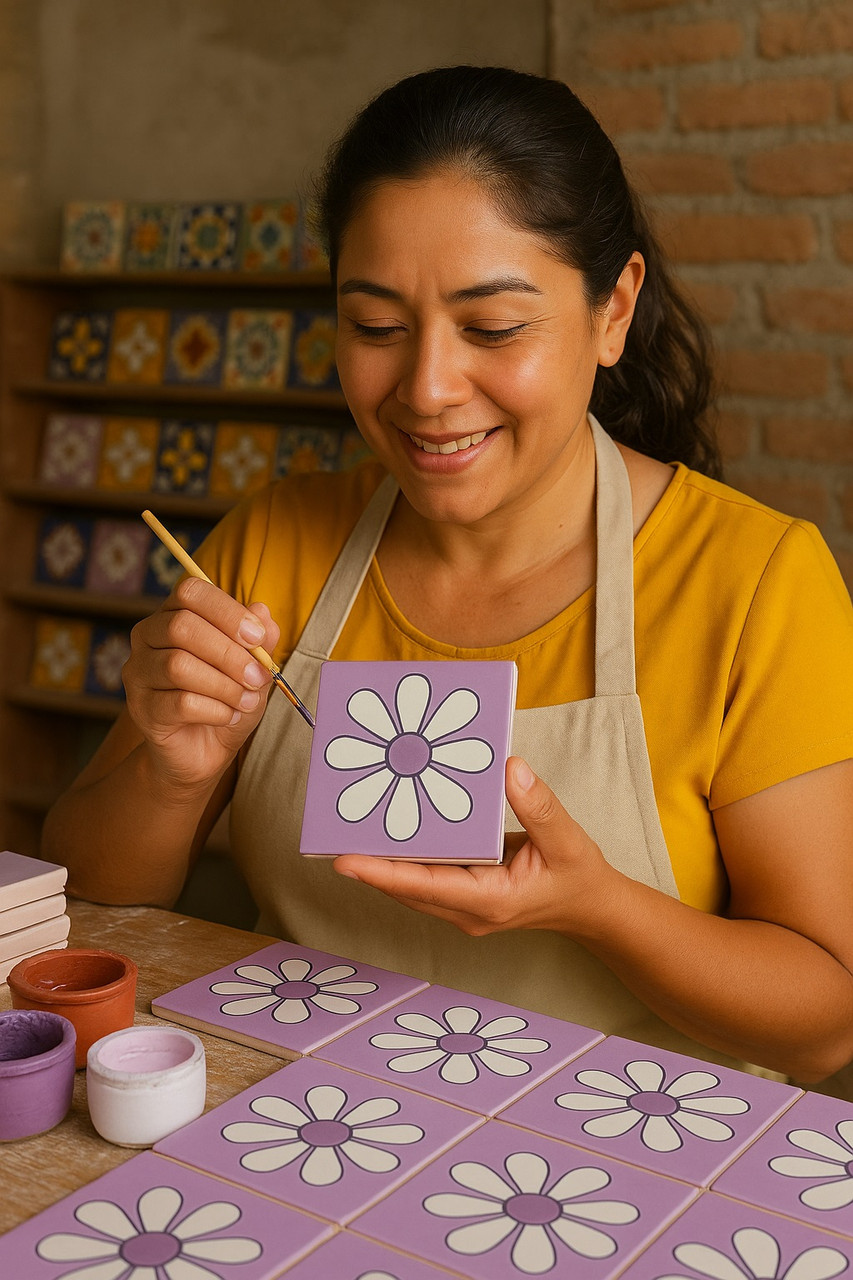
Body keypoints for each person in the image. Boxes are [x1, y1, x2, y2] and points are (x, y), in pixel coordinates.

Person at [43, 66, 853, 1084]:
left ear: (614, 311)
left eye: (493, 328)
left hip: (629, 1180)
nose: (425, 389)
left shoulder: (756, 583)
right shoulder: (275, 543)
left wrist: (597, 905)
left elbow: (828, 1021)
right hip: (305, 1127)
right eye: (375, 327)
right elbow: (90, 904)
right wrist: (172, 768)